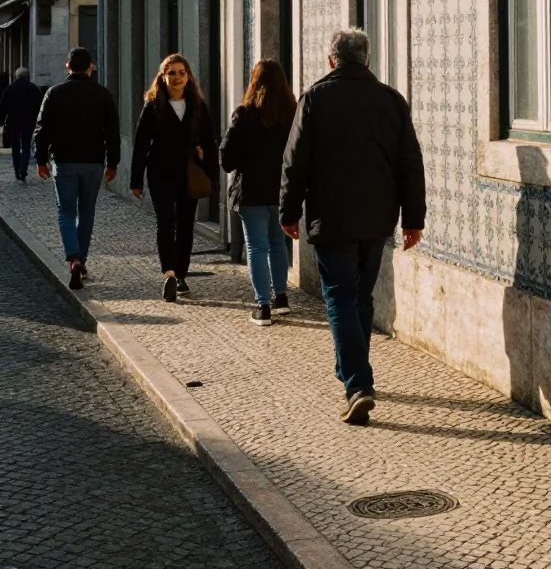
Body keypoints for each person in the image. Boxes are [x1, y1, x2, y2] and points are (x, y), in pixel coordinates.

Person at [280, 28, 426, 425]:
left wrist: (288, 211)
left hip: (332, 218)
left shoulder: (315, 98)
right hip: (378, 218)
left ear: (332, 60)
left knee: (341, 298)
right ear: (366, 59)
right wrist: (414, 220)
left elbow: (295, 163)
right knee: (361, 297)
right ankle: (352, 370)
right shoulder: (391, 100)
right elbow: (410, 163)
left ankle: (357, 383)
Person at [130, 54, 218, 302]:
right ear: (163, 76)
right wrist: (136, 180)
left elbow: (210, 143)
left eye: (181, 72)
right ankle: (168, 272)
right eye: (172, 73)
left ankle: (181, 274)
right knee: (166, 222)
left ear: (188, 76)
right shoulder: (153, 107)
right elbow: (140, 146)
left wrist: (212, 175)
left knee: (186, 225)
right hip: (160, 172)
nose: (177, 77)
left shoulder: (198, 106)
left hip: (189, 173)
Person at [33, 47, 121, 290]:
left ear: (67, 67)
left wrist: (40, 160)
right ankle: (81, 259)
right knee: (87, 211)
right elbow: (112, 132)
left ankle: (73, 258)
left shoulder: (54, 93)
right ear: (90, 67)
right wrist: (113, 162)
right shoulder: (103, 94)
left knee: (66, 212)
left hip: (64, 161)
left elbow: (42, 130)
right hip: (93, 163)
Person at [220, 59, 297, 326]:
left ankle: (263, 306)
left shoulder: (244, 115)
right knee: (278, 243)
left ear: (254, 82)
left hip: (252, 192)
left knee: (256, 247)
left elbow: (227, 160)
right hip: (282, 192)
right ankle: (282, 299)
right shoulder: (293, 115)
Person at [1, 66, 43, 182]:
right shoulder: (33, 89)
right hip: (29, 122)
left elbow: (3, 106)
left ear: (16, 76)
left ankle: (17, 170)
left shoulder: (10, 89)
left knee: (15, 147)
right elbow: (39, 106)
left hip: (13, 122)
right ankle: (23, 170)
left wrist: (2, 120)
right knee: (26, 145)